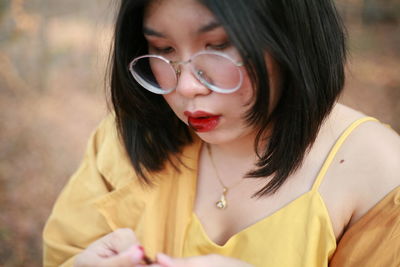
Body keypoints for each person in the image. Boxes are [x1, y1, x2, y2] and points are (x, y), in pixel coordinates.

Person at [43, 0, 400, 266]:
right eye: (163, 49)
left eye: (218, 46)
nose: (185, 86)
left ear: (292, 38)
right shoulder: (126, 139)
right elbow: (64, 253)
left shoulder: (377, 174)